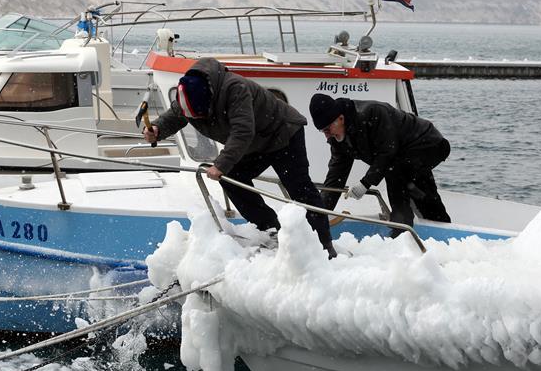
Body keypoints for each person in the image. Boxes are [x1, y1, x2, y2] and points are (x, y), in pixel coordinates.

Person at [143, 58, 337, 257]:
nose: (198, 120)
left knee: (299, 187)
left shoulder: (235, 89)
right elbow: (175, 115)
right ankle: (271, 230)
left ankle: (323, 245)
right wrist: (157, 129)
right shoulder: (188, 93)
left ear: (209, 100)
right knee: (232, 177)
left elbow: (242, 132)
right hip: (257, 142)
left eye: (201, 116)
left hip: (283, 133)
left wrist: (220, 164)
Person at [308, 93, 452, 231]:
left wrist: (365, 183)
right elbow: (335, 177)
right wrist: (320, 213)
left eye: (327, 129)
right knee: (408, 180)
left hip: (429, 143)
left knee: (398, 175)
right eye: (322, 131)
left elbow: (387, 152)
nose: (327, 136)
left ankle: (402, 228)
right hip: (400, 155)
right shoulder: (338, 140)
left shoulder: (373, 113)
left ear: (340, 119)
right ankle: (432, 223)